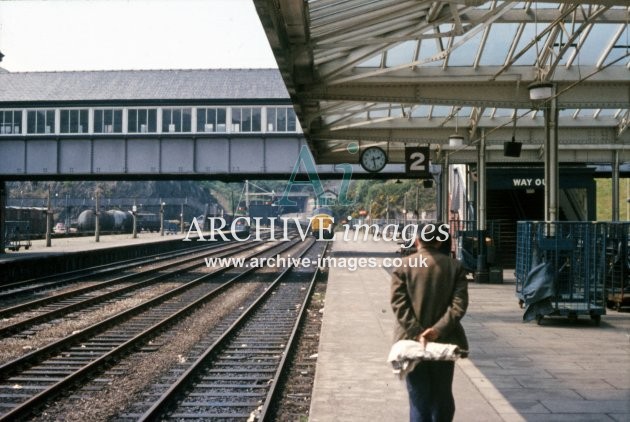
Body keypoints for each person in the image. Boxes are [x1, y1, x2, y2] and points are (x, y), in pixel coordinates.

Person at [390, 222, 469, 422]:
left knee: (419, 398)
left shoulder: (404, 265)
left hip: (411, 342)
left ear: (417, 240)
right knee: (442, 395)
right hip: (444, 341)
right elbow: (459, 305)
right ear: (439, 242)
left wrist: (418, 332)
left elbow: (399, 304)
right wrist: (437, 330)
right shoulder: (454, 267)